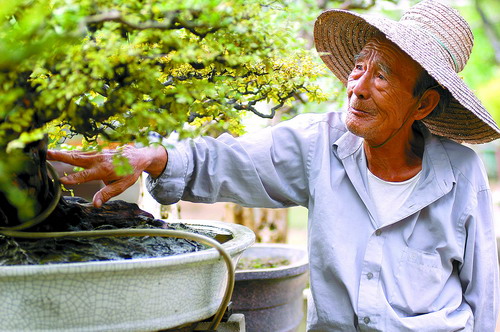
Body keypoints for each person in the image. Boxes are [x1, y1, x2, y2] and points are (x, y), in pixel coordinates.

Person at [48, 0, 500, 330]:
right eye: (359, 67)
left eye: (381, 76)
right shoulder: (319, 144)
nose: (357, 87)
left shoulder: (461, 174)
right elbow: (230, 158)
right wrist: (155, 157)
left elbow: (483, 295)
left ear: (424, 104)